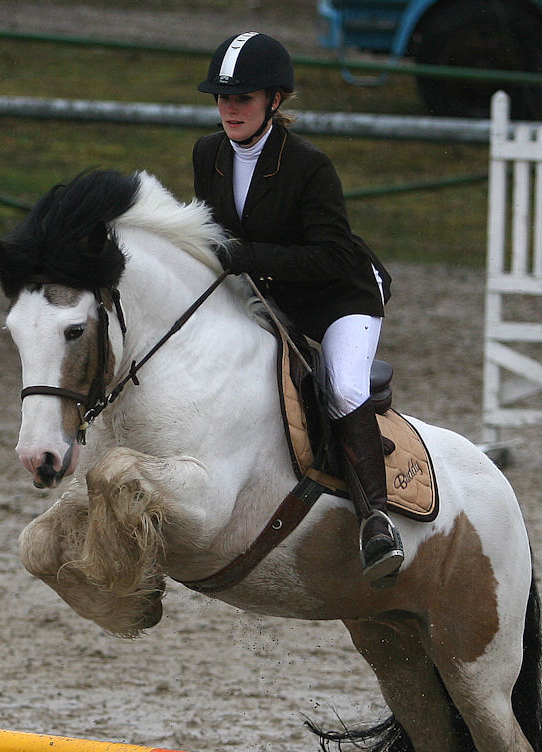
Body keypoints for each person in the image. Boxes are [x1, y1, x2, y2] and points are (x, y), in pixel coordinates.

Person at [193, 31, 404, 586]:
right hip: (272, 294)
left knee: (343, 387)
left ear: (274, 102)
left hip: (341, 297)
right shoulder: (208, 154)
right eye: (222, 97)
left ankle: (376, 520)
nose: (229, 108)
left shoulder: (309, 165)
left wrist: (246, 256)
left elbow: (333, 255)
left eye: (242, 98)